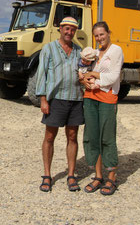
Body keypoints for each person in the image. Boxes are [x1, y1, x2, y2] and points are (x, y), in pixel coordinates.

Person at [35, 16, 84, 192]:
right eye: (66, 28)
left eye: (72, 29)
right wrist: (43, 99)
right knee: (49, 137)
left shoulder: (79, 51)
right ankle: (47, 175)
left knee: (72, 137)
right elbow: (42, 74)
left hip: (76, 99)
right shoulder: (48, 49)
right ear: (60, 29)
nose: (69, 32)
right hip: (55, 100)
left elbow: (84, 73)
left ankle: (71, 175)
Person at [80, 21, 123, 195]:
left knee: (107, 136)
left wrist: (93, 76)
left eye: (102, 34)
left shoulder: (116, 51)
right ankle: (98, 176)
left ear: (108, 33)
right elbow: (82, 71)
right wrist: (84, 78)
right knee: (93, 135)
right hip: (90, 97)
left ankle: (111, 176)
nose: (99, 38)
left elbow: (113, 75)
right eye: (96, 36)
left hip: (106, 97)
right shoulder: (94, 53)